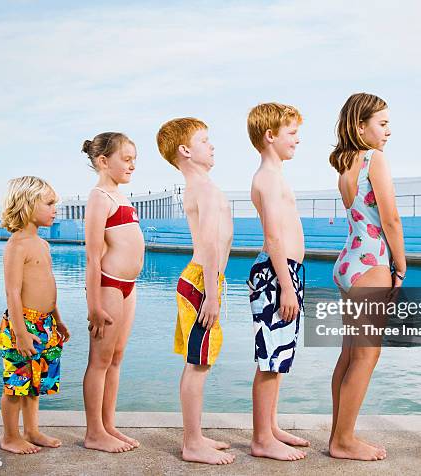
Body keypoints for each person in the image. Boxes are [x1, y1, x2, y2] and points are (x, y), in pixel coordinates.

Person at [328, 93, 406, 461]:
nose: (389, 130)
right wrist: (401, 264)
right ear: (361, 126)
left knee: (349, 355)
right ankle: (344, 441)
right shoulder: (374, 159)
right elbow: (389, 218)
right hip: (372, 263)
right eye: (383, 123)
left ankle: (337, 435)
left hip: (348, 262)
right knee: (366, 356)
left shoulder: (346, 164)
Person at [156, 118, 235, 465]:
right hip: (203, 282)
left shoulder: (203, 186)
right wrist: (213, 295)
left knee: (200, 360)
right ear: (185, 151)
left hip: (206, 280)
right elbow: (209, 242)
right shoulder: (204, 189)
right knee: (197, 363)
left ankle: (197, 435)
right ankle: (191, 443)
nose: (212, 145)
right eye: (205, 140)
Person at [246, 102, 309, 461]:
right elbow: (272, 237)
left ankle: (270, 426)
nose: (297, 140)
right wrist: (285, 285)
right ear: (270, 136)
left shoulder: (277, 175)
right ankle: (260, 439)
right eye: (292, 133)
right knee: (270, 358)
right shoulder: (267, 178)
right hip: (275, 273)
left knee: (281, 356)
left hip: (285, 271)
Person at [0, 176, 70, 454]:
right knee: (16, 384)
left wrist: (58, 319)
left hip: (46, 323)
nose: (55, 209)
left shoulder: (42, 244)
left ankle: (31, 430)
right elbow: (12, 293)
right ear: (27, 205)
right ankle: (10, 436)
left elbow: (47, 285)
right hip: (23, 324)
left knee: (35, 383)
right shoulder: (17, 245)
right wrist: (20, 332)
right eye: (50, 203)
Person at [82, 132, 144, 453]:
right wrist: (93, 304)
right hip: (108, 285)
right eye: (127, 159)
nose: (133, 165)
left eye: (135, 159)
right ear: (104, 161)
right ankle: (94, 432)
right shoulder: (99, 198)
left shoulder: (121, 196)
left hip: (128, 287)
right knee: (100, 359)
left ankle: (108, 425)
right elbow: (92, 256)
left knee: (116, 358)